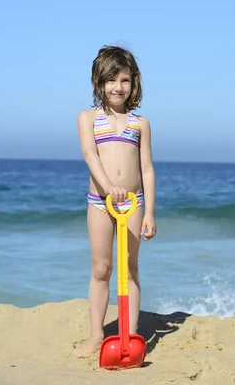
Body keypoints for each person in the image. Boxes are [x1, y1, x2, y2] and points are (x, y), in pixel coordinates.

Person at [74, 45, 156, 358]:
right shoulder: (88, 118)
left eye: (124, 80)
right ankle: (97, 334)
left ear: (133, 83)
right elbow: (89, 155)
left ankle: (130, 334)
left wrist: (149, 211)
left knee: (130, 268)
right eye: (110, 80)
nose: (117, 87)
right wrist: (107, 187)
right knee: (102, 268)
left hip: (132, 203)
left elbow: (146, 168)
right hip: (100, 201)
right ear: (99, 83)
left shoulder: (140, 124)